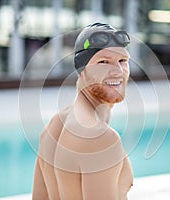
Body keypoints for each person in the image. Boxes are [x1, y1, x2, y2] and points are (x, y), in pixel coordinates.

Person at [32, 22, 133, 200]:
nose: (118, 71)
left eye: (122, 60)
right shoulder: (100, 138)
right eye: (103, 62)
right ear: (82, 70)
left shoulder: (52, 127)